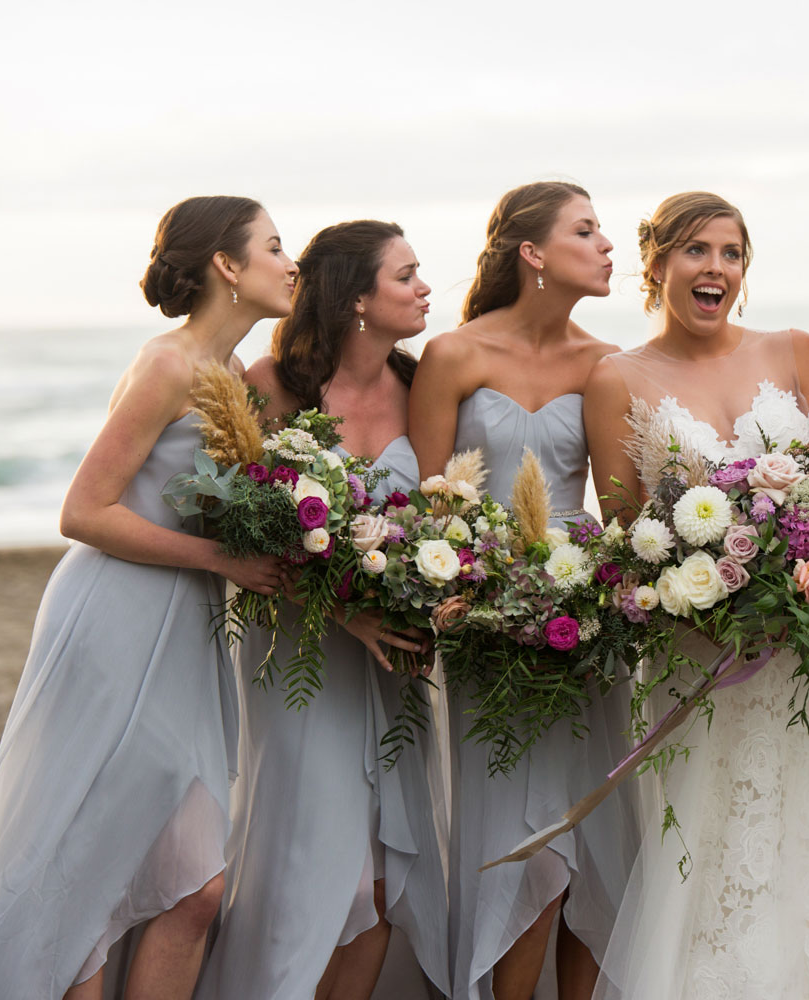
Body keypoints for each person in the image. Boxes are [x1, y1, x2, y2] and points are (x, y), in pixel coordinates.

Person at [0, 196, 294, 999]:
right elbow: (83, 511)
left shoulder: (235, 376)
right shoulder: (167, 363)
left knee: (196, 887)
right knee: (83, 863)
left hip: (190, 628)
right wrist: (221, 559)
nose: (290, 261)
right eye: (275, 246)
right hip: (115, 617)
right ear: (228, 267)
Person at [583, 191, 809, 999]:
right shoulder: (616, 378)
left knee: (806, 842)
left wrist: (797, 570)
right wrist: (700, 594)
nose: (716, 269)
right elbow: (629, 528)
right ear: (657, 263)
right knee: (705, 847)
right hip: (697, 649)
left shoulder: (795, 350)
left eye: (731, 253)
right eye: (696, 251)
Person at [193, 221, 449, 1000]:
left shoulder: (420, 388)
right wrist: (349, 614)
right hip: (298, 652)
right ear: (357, 300)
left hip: (394, 660)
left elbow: (447, 516)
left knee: (379, 890)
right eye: (406, 275)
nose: (425, 288)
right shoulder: (271, 385)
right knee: (310, 874)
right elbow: (230, 523)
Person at [408, 181, 636, 1000]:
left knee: (592, 828)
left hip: (584, 611)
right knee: (508, 825)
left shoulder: (606, 362)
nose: (608, 245)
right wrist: (470, 591)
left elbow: (620, 511)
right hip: (481, 612)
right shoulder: (454, 355)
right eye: (587, 230)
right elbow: (430, 509)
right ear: (533, 253)